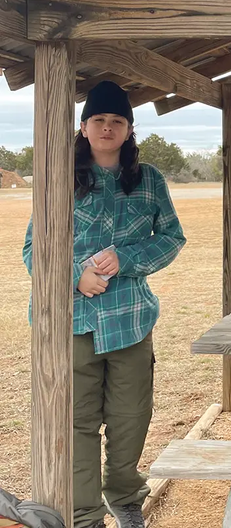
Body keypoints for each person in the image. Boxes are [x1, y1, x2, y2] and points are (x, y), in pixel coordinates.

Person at [23, 81, 186, 528]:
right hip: (70, 322)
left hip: (131, 318)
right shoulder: (61, 176)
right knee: (76, 424)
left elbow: (172, 238)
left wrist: (128, 259)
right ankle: (85, 515)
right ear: (84, 126)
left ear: (129, 130)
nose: (108, 127)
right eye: (99, 120)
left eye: (117, 121)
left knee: (131, 416)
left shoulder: (148, 179)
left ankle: (125, 498)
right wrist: (76, 275)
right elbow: (33, 249)